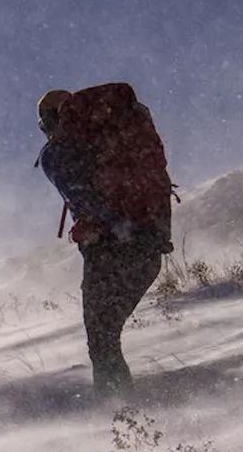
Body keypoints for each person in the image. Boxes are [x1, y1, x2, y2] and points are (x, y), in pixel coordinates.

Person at [36, 85, 174, 396]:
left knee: (102, 339)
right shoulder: (112, 137)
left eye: (44, 126)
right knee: (108, 335)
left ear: (50, 121)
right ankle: (126, 412)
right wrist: (142, 231)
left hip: (111, 252)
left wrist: (111, 228)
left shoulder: (57, 152)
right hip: (149, 246)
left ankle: (117, 415)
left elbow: (86, 199)